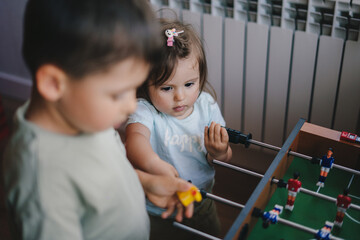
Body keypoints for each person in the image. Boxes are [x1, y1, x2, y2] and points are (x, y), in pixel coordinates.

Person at [2, 1, 195, 240]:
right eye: (117, 94)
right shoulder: (41, 180)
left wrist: (144, 183)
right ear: (53, 83)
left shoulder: (84, 115)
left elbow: (98, 176)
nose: (131, 105)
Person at [126, 18, 233, 239]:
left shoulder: (207, 106)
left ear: (200, 77)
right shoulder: (145, 109)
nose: (180, 96)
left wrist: (219, 152)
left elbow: (224, 156)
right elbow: (135, 140)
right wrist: (156, 166)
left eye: (189, 84)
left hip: (201, 200)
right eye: (167, 88)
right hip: (157, 207)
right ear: (146, 83)